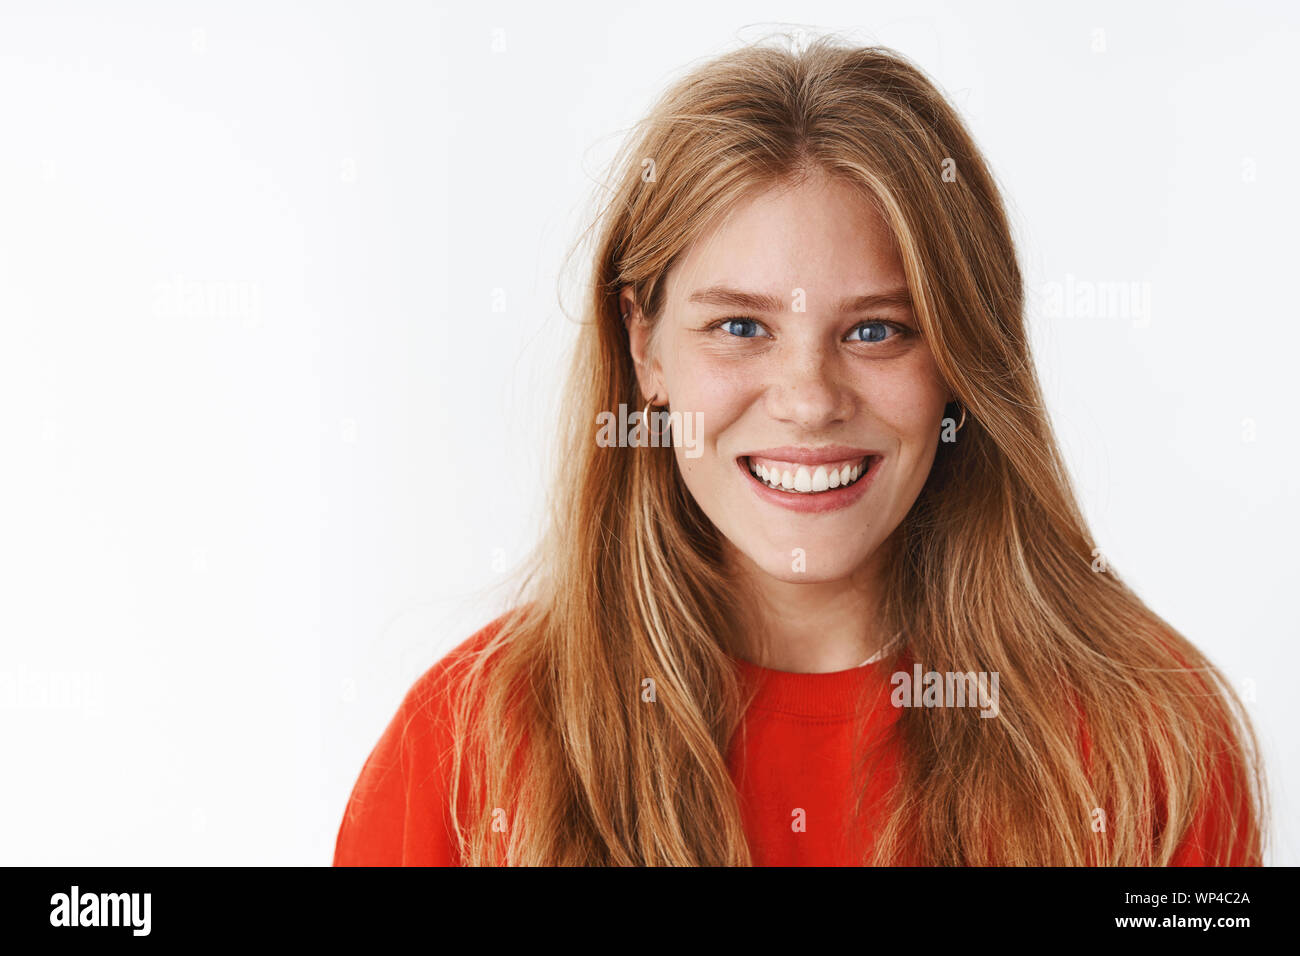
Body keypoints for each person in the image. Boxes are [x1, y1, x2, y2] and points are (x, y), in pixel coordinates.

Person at [334, 34, 1266, 866]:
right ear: (643, 347)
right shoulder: (462, 752)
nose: (810, 401)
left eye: (878, 331)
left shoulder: (1150, 742)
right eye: (740, 326)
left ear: (960, 359)